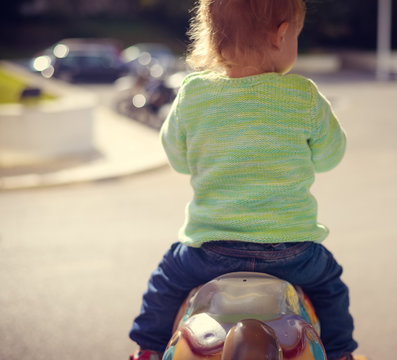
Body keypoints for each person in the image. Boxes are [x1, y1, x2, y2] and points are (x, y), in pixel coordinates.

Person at [129, 0, 360, 359]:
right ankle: (342, 352)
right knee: (331, 287)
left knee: (165, 284)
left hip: (209, 250)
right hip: (292, 250)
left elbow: (176, 157)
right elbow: (332, 155)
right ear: (282, 34)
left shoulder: (193, 93)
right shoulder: (303, 96)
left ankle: (148, 348)